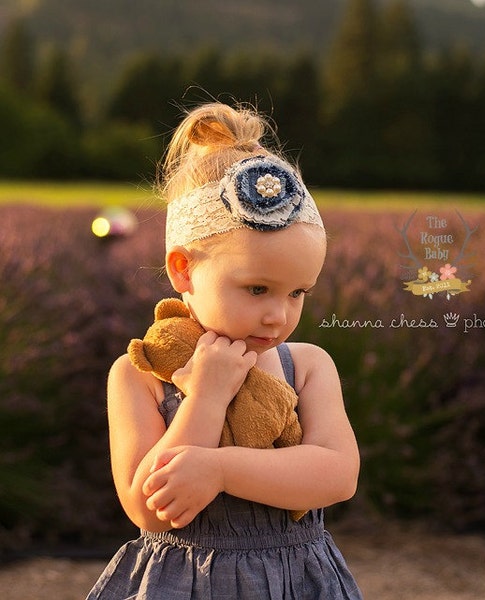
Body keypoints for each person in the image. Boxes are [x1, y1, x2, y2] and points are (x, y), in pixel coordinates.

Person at [86, 102, 363, 599]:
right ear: (184, 269)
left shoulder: (306, 365)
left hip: (295, 581)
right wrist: (205, 400)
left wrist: (218, 468)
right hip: (188, 583)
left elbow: (338, 474)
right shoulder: (140, 374)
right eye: (258, 289)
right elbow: (150, 509)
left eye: (298, 292)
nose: (279, 315)